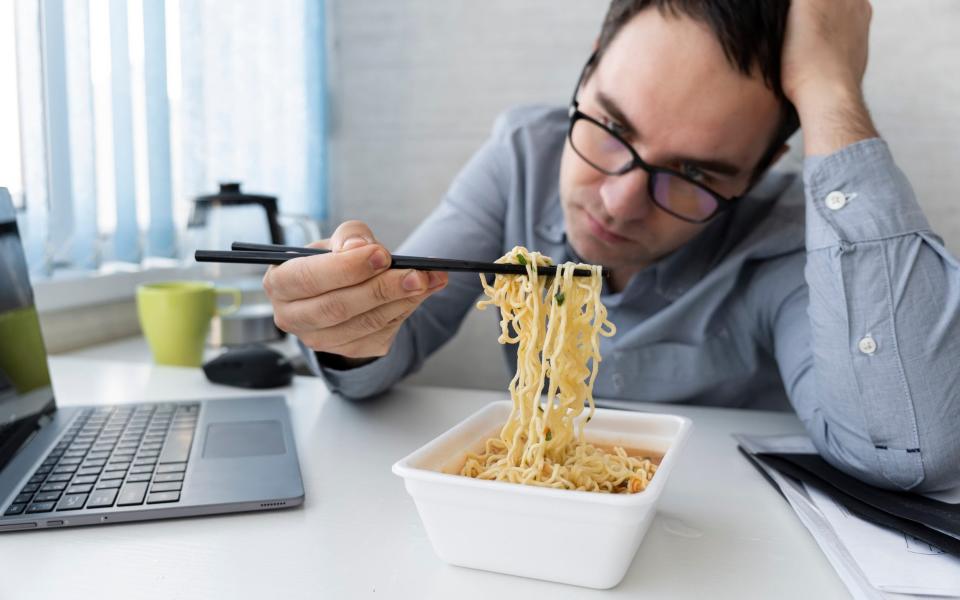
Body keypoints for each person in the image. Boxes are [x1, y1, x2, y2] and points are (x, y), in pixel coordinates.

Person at [262, 0, 960, 492]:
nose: (618, 202)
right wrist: (350, 322)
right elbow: (393, 347)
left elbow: (915, 451)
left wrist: (830, 90)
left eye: (694, 174)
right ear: (588, 70)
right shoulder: (523, 156)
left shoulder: (792, 241)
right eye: (611, 127)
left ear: (761, 168)